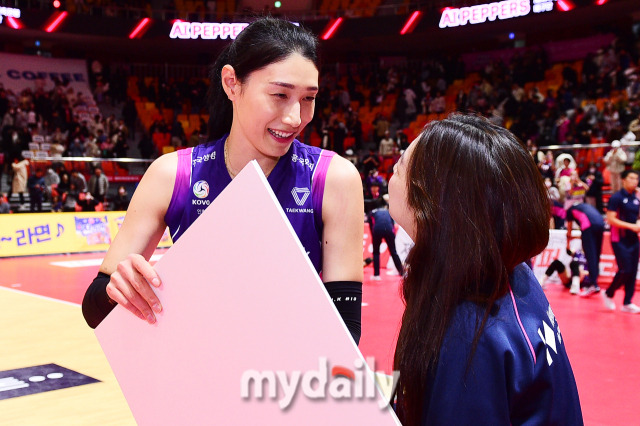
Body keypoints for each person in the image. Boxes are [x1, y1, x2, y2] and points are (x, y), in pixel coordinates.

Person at [81, 17, 364, 344]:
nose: (294, 118)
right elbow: (94, 309)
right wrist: (119, 289)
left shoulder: (332, 179)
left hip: (282, 384)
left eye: (308, 98)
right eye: (279, 95)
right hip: (194, 376)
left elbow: (346, 333)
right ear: (231, 83)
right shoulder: (174, 175)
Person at [388, 114, 582, 425]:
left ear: (434, 201)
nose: (391, 175)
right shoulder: (514, 272)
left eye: (399, 167)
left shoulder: (468, 333)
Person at [602, 169, 640, 314]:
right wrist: (632, 227)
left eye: (636, 178)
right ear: (623, 180)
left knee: (633, 271)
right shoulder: (616, 198)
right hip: (619, 239)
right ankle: (609, 293)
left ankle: (627, 302)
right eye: (631, 178)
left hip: (633, 240)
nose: (634, 181)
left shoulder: (636, 198)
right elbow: (611, 219)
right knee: (625, 269)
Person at [565, 202, 604, 296]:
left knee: (590, 255)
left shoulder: (569, 211)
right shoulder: (585, 206)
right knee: (596, 255)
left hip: (588, 225)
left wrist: (568, 245)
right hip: (601, 223)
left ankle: (593, 284)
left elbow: (569, 232)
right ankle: (595, 283)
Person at [367, 197, 404, 281]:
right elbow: (392, 223)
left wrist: (374, 237)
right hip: (389, 230)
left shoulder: (372, 212)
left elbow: (371, 226)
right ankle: (402, 272)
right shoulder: (388, 212)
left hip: (377, 230)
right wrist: (392, 235)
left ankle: (376, 275)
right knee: (393, 251)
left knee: (376, 253)